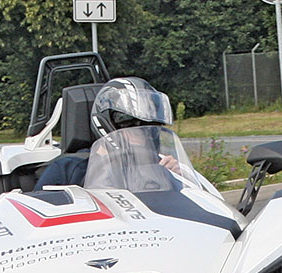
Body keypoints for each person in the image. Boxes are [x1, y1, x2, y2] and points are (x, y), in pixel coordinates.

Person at [34, 77, 176, 189]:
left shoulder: (160, 166)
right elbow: (38, 217)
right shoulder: (68, 169)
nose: (144, 136)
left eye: (150, 129)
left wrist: (177, 178)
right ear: (110, 124)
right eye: (133, 129)